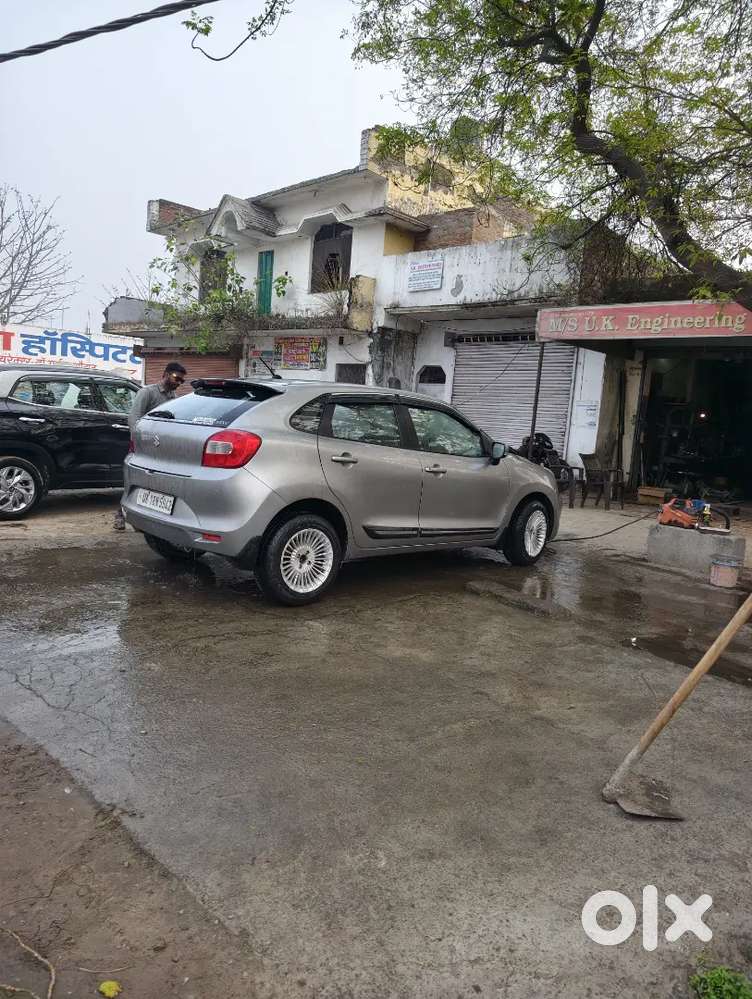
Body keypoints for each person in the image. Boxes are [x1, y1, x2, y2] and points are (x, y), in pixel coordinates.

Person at [113, 362, 187, 531]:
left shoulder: (175, 399)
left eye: (181, 381)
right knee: (134, 480)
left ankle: (143, 518)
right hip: (142, 446)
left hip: (161, 449)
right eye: (176, 378)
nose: (178, 383)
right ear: (166, 374)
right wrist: (136, 442)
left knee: (154, 485)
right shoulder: (147, 392)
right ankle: (120, 514)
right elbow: (134, 418)